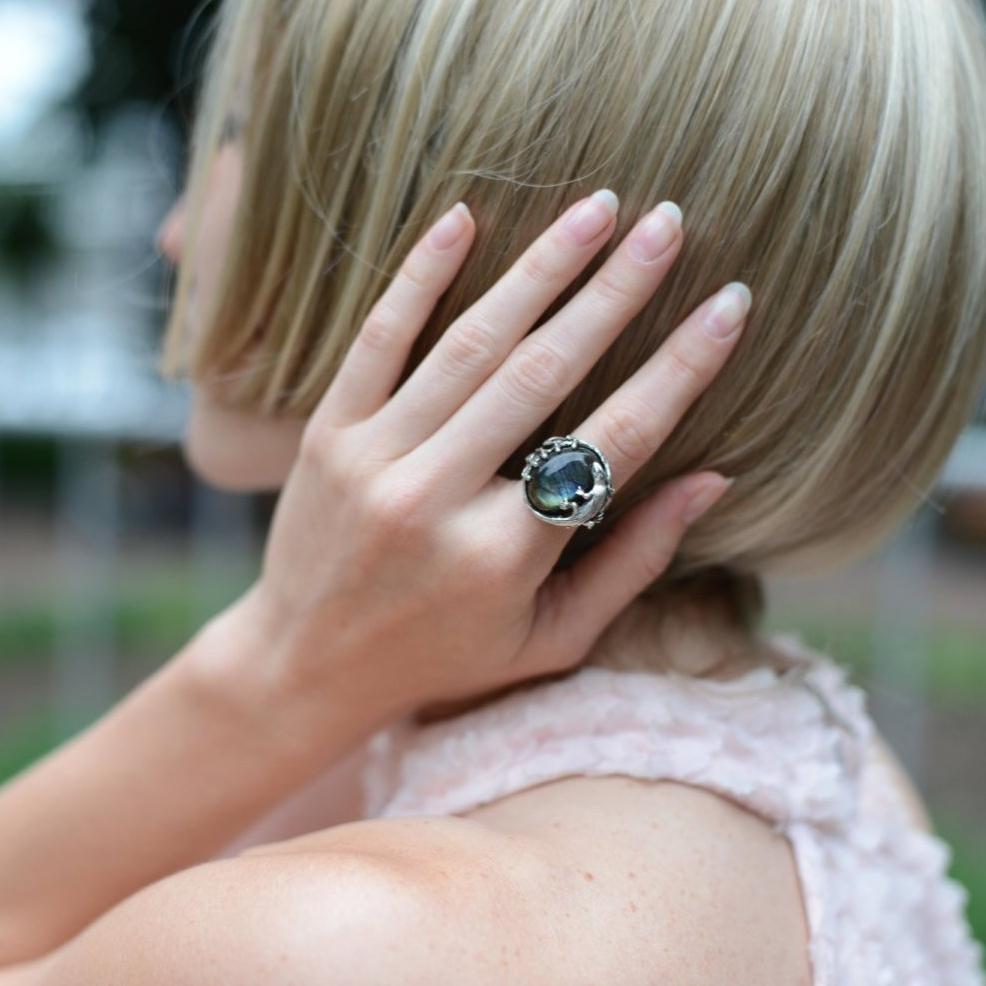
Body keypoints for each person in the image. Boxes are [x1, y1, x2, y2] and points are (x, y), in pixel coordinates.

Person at [1, 0, 985, 981]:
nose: (174, 234)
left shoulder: (322, 941)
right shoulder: (826, 776)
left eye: (239, 132)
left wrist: (272, 659)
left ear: (463, 241)